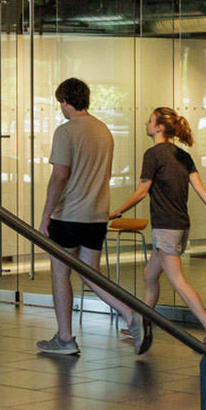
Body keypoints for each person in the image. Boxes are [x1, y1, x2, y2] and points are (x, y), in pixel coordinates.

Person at [35, 78, 143, 356]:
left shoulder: (66, 131)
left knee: (60, 273)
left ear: (64, 102)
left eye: (60, 103)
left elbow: (60, 176)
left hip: (69, 215)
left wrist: (46, 215)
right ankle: (131, 316)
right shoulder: (104, 130)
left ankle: (65, 338)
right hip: (97, 216)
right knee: (91, 275)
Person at [113, 106, 206, 346]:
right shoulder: (182, 155)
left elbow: (142, 192)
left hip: (166, 227)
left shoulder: (153, 154)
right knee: (150, 274)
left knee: (178, 281)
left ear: (159, 127)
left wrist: (117, 211)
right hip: (180, 226)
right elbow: (199, 187)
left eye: (150, 120)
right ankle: (141, 325)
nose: (146, 123)